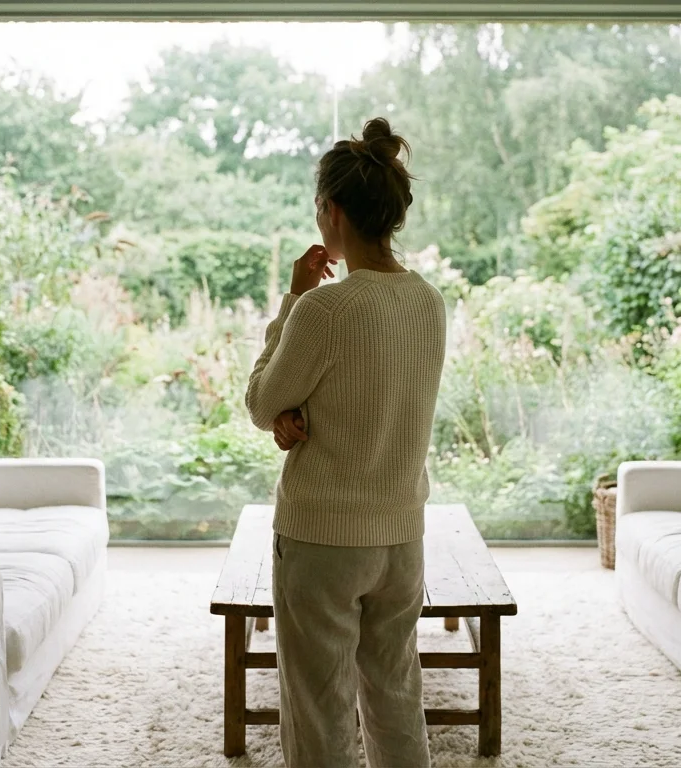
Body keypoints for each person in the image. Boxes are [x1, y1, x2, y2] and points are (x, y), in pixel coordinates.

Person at [245, 117, 446, 768]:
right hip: (400, 539)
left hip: (322, 544)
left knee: (320, 713)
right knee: (395, 695)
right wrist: (297, 414)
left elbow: (260, 402)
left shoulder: (323, 309)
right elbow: (372, 396)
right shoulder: (428, 302)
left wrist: (293, 300)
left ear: (330, 212)